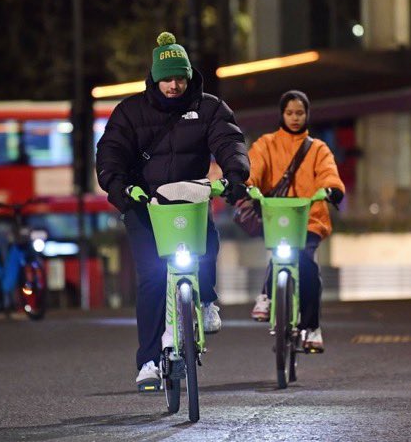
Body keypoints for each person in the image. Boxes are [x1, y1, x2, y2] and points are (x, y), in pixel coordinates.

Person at [96, 32, 249, 390]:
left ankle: (206, 299)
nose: (174, 85)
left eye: (180, 77)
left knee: (208, 245)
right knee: (151, 278)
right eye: (167, 78)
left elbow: (229, 143)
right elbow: (110, 154)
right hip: (144, 204)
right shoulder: (129, 112)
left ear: (189, 75)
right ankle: (148, 361)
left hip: (190, 198)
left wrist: (235, 176)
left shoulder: (210, 107)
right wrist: (119, 188)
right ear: (154, 78)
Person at [247, 90, 344, 354]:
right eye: (289, 112)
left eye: (299, 113)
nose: (294, 118)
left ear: (307, 114)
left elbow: (328, 174)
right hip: (278, 217)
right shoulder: (266, 144)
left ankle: (312, 327)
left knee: (307, 264)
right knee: (282, 253)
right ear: (281, 114)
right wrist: (248, 185)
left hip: (309, 219)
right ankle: (267, 295)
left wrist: (331, 189)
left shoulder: (317, 148)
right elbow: (253, 168)